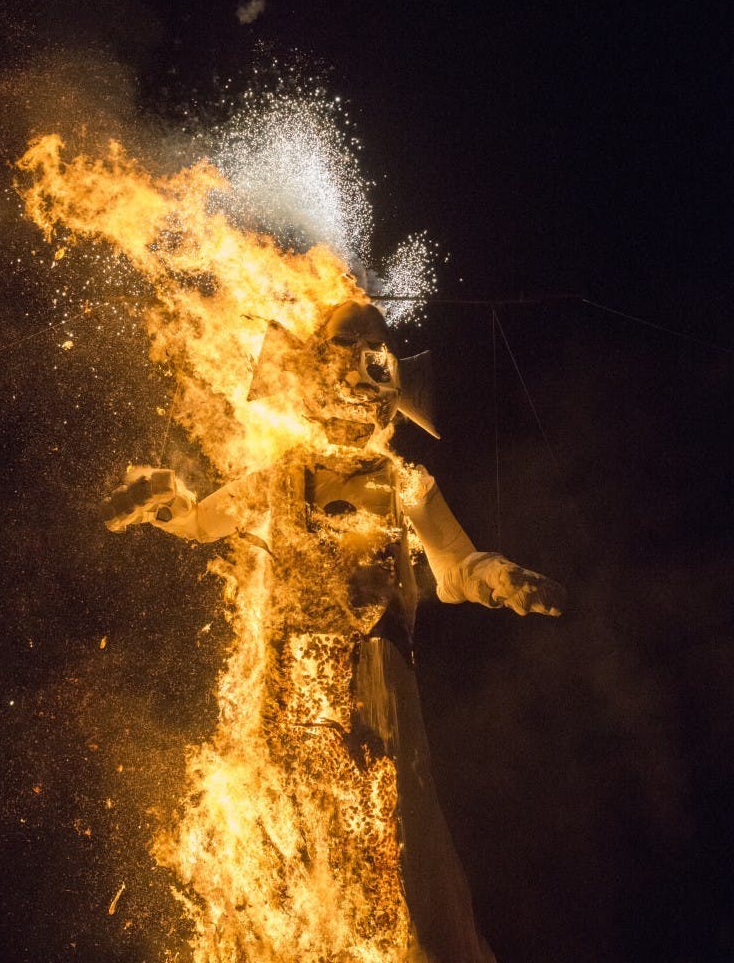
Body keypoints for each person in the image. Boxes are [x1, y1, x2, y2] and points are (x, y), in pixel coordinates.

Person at [102, 300, 564, 962]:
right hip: (293, 684)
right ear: (309, 371)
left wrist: (501, 579)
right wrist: (162, 501)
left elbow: (453, 567)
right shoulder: (281, 478)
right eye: (344, 347)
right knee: (296, 845)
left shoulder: (405, 482)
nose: (360, 366)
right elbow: (202, 522)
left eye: (374, 350)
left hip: (382, 682)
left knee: (395, 850)